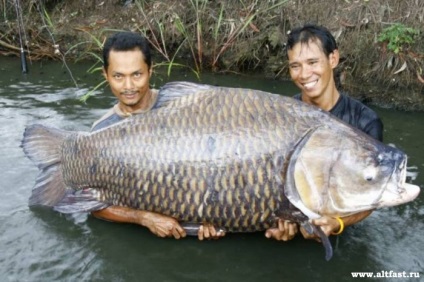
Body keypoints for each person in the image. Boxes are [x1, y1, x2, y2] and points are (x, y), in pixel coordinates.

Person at [90, 31, 223, 240]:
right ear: (105, 74)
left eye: (137, 74)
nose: (129, 86)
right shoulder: (100, 132)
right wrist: (144, 218)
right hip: (137, 243)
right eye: (118, 76)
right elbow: (94, 205)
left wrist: (214, 214)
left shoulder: (183, 106)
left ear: (150, 71)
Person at [265, 23, 384, 241]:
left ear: (333, 59)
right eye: (295, 66)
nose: (304, 74)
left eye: (312, 62)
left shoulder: (365, 121)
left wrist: (338, 223)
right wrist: (277, 221)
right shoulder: (280, 116)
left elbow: (373, 190)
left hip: (343, 236)